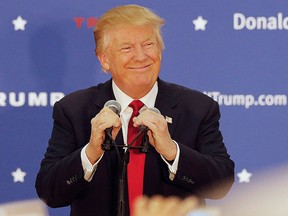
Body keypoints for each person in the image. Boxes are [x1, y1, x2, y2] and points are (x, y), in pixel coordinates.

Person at [35, 4, 234, 216]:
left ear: (160, 50)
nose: (141, 56)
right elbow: (50, 192)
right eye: (126, 48)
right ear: (104, 60)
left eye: (149, 44)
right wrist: (90, 153)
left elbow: (222, 184)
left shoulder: (197, 108)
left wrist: (172, 151)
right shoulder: (74, 110)